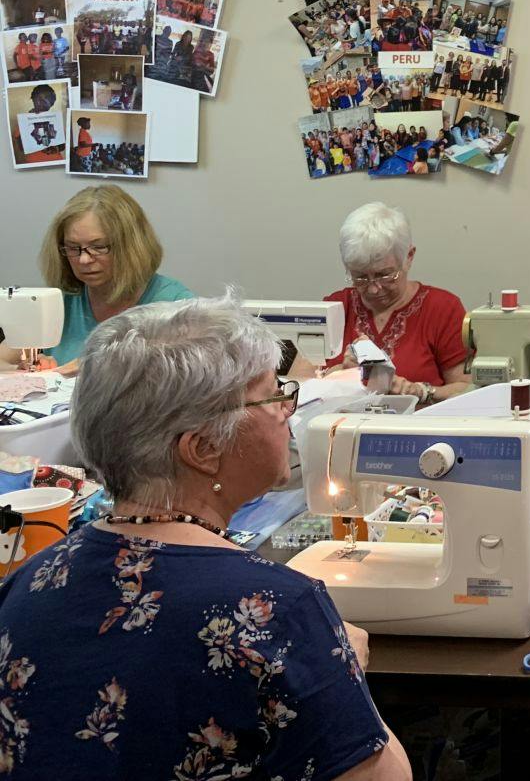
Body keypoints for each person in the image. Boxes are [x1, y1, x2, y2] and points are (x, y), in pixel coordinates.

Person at [0, 296, 411, 780]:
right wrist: (344, 676)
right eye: (271, 396)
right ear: (203, 448)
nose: (286, 410)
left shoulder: (27, 584)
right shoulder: (275, 608)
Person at [2, 187, 193, 371]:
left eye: (99, 247)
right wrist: (22, 371)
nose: (84, 259)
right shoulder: (60, 300)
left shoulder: (177, 306)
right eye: (73, 248)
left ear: (133, 246)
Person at [305, 203, 471, 404]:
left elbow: (467, 390)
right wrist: (341, 373)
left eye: (385, 275)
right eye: (360, 277)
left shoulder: (442, 309)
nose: (374, 289)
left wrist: (418, 391)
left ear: (409, 257)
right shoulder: (335, 308)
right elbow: (299, 387)